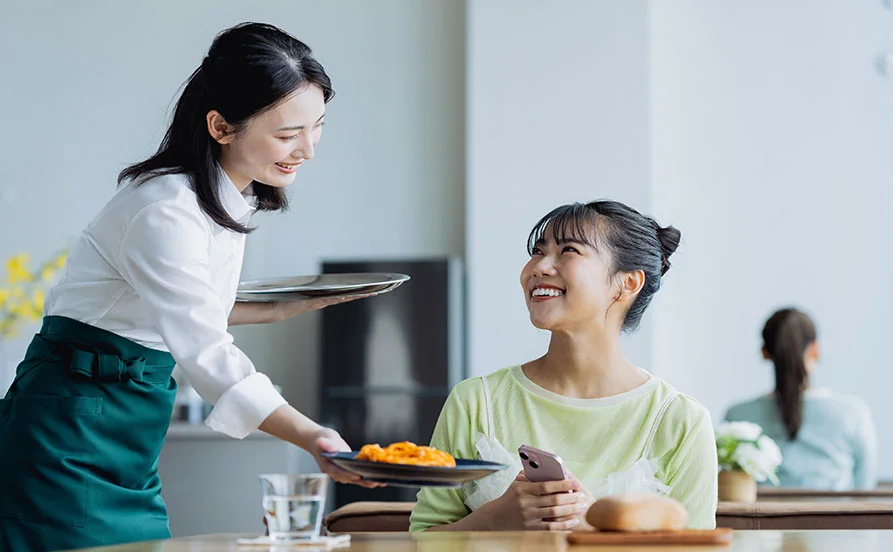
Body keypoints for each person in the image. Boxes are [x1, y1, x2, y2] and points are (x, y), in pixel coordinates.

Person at [0, 22, 376, 551]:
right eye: (288, 134)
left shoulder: (223, 200)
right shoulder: (163, 209)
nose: (307, 149)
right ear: (221, 127)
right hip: (68, 426)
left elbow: (180, 308)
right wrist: (311, 434)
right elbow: (205, 350)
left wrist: (276, 309)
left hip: (126, 428)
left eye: (317, 127)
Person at [410, 200, 717, 532]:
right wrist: (495, 519)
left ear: (627, 283)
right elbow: (422, 539)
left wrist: (593, 526)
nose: (539, 267)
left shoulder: (681, 422)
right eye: (538, 251)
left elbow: (700, 548)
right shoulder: (475, 402)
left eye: (569, 250)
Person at [725, 308, 877, 490]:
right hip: (836, 510)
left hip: (759, 510)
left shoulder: (737, 417)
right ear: (815, 350)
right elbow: (865, 489)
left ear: (765, 352)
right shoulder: (853, 413)